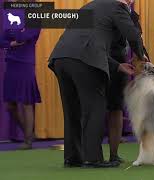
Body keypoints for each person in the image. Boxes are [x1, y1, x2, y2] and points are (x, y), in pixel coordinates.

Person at [48, 0, 146, 168]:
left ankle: (73, 158)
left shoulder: (90, 6)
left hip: (61, 58)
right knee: (95, 108)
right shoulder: (118, 7)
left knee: (73, 110)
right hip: (84, 60)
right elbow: (133, 35)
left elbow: (88, 42)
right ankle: (92, 158)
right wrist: (141, 56)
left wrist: (117, 66)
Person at [107, 8, 149, 164]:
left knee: (116, 107)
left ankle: (114, 154)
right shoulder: (108, 10)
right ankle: (92, 155)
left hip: (123, 63)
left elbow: (137, 38)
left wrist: (143, 55)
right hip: (104, 60)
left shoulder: (133, 15)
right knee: (97, 109)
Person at [0, 7, 41, 150]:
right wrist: (11, 41)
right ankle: (29, 134)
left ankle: (28, 141)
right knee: (10, 105)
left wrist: (15, 34)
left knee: (26, 102)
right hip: (11, 63)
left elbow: (22, 38)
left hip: (26, 64)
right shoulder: (14, 17)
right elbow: (2, 40)